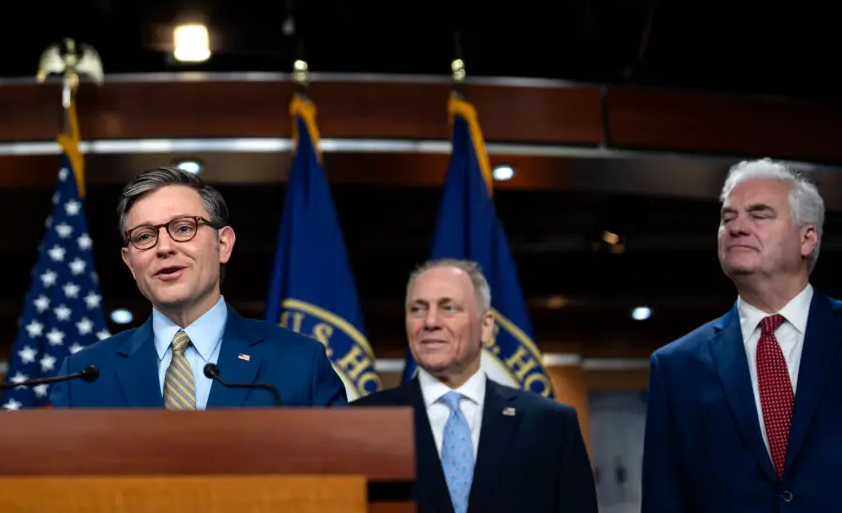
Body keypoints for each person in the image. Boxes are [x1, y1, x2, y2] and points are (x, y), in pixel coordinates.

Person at [50, 166, 346, 408]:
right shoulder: (83, 376)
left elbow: (341, 474)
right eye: (144, 236)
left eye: (183, 228)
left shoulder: (300, 364)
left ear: (223, 244)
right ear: (129, 262)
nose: (164, 247)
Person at [641, 158, 842, 512]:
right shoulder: (676, 367)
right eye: (728, 217)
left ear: (807, 238)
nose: (736, 227)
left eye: (759, 214)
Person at [351, 259, 598, 513]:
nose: (430, 322)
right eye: (417, 309)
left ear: (486, 326)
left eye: (448, 308)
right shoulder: (359, 422)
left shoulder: (550, 424)